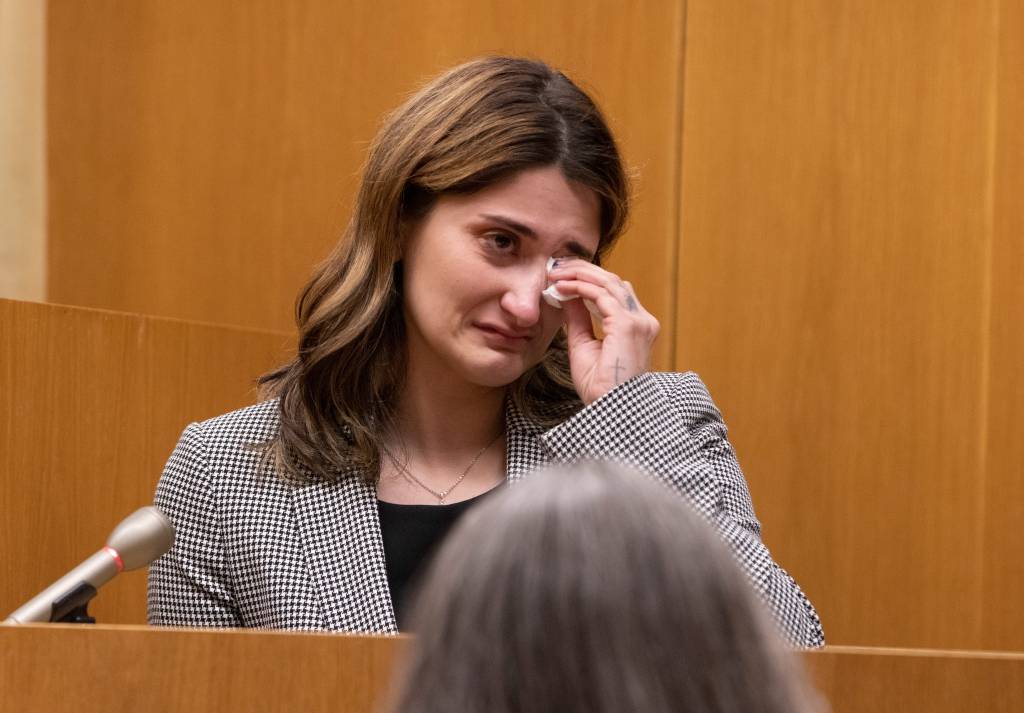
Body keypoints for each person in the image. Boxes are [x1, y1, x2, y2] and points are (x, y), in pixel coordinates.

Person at [147, 56, 824, 647]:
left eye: (566, 263)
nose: (529, 304)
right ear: (402, 222)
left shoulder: (658, 429)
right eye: (502, 242)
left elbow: (794, 667)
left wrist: (626, 422)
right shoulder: (224, 474)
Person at [387, 462, 825, 713]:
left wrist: (621, 411)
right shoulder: (316, 440)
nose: (523, 308)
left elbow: (786, 648)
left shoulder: (652, 413)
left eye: (547, 292)